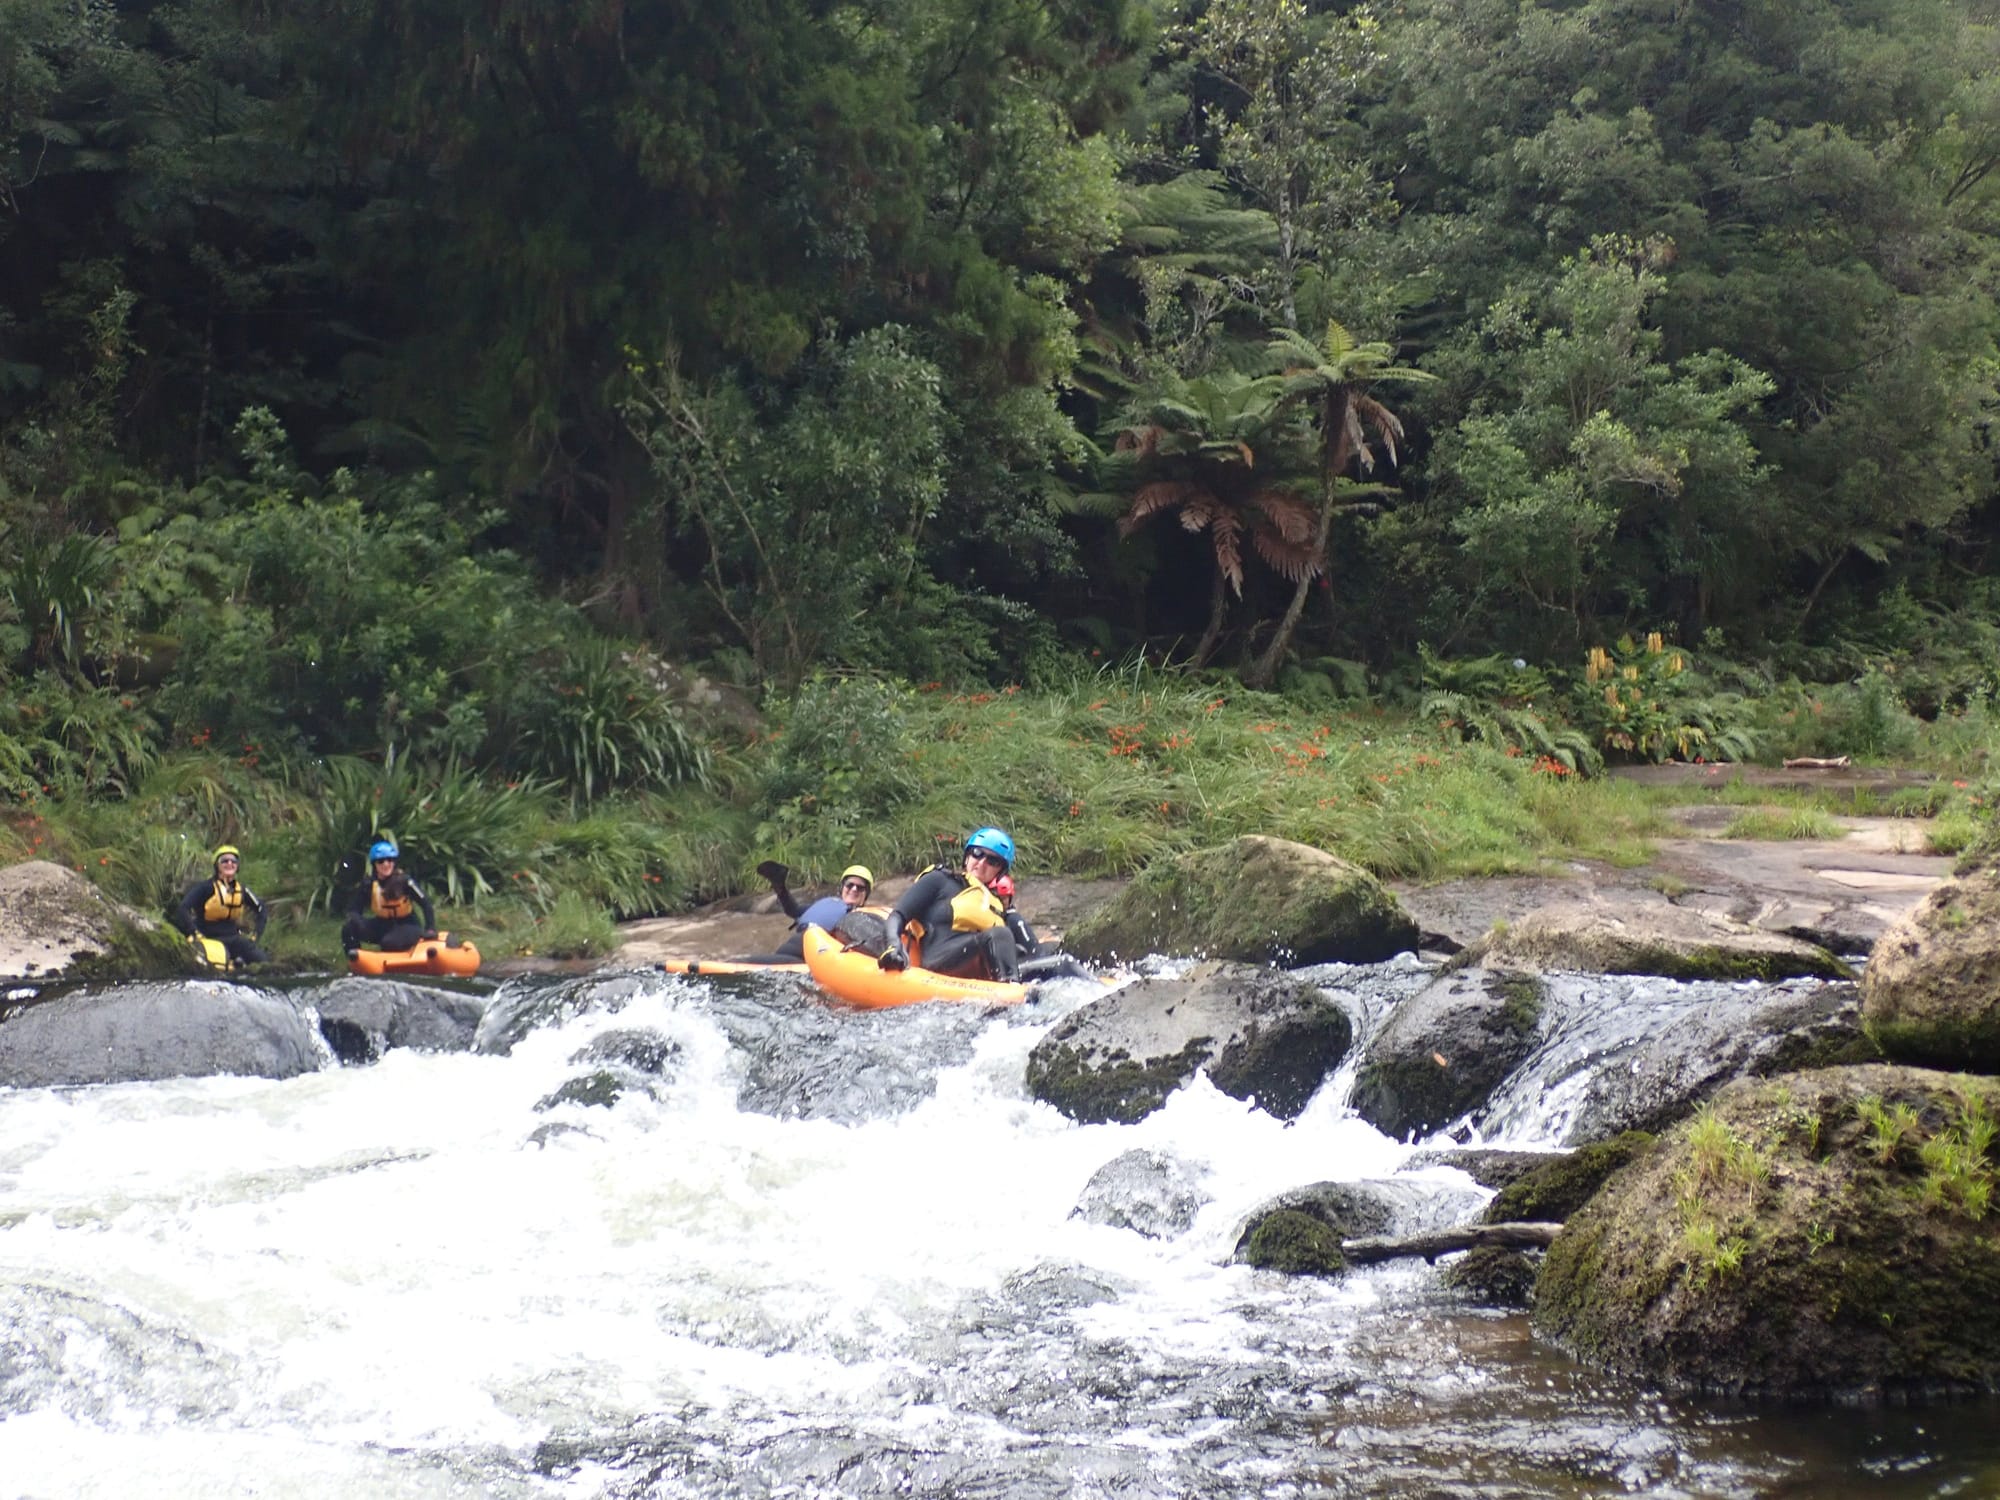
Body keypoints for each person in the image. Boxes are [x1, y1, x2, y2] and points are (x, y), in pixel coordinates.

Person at [878, 827, 1020, 981]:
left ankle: (1016, 984)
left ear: (1000, 872)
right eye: (977, 853)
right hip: (941, 959)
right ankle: (1011, 987)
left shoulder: (996, 905)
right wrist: (893, 945)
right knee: (1000, 934)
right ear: (967, 856)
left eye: (992, 861)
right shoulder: (939, 880)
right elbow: (898, 915)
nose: (982, 863)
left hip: (978, 967)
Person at [751, 860, 873, 962]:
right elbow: (793, 910)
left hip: (807, 960)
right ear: (842, 887)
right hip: (788, 950)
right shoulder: (829, 904)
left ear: (866, 894)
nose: (854, 889)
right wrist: (780, 887)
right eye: (850, 885)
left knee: (748, 963)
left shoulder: (863, 918)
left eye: (860, 887)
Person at [174, 844, 269, 966]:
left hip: (234, 939)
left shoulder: (242, 890)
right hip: (208, 939)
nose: (229, 863)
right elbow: (183, 908)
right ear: (217, 865)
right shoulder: (205, 887)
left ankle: (239, 962)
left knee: (263, 963)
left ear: (237, 866)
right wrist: (194, 932)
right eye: (224, 860)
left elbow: (261, 909)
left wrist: (255, 935)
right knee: (219, 965)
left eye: (233, 861)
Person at [341, 838, 437, 958]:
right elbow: (354, 909)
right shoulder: (369, 884)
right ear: (374, 864)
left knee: (389, 942)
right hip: (382, 925)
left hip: (408, 925)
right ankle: (355, 959)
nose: (386, 864)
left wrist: (430, 928)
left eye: (389, 860)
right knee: (348, 928)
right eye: (381, 861)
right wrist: (355, 920)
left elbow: (426, 904)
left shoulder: (405, 882)